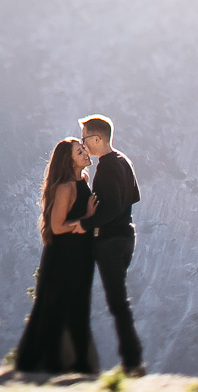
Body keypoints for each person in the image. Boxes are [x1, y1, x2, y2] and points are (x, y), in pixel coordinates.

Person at [13, 137, 100, 375]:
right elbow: (57, 227)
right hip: (63, 256)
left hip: (80, 253)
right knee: (57, 306)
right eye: (79, 151)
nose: (85, 152)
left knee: (79, 306)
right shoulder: (65, 188)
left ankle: (76, 363)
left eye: (83, 149)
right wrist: (87, 218)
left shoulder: (82, 179)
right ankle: (53, 363)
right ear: (68, 161)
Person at [78, 114, 144, 376]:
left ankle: (133, 362)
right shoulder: (122, 161)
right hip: (127, 236)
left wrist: (87, 223)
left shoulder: (106, 166)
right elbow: (132, 197)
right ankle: (131, 361)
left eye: (84, 139)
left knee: (118, 303)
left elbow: (112, 207)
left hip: (110, 241)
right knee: (118, 301)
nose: (83, 145)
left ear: (96, 138)